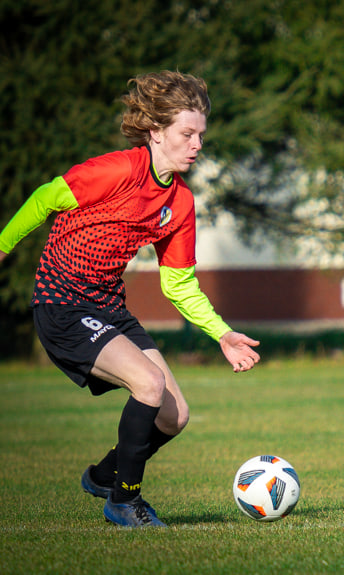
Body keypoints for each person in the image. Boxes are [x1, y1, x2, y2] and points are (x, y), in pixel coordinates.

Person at [0, 71, 261, 527]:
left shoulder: (180, 203)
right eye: (187, 133)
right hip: (61, 303)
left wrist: (222, 334)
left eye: (201, 134)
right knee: (148, 383)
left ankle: (104, 475)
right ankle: (124, 502)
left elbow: (179, 284)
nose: (197, 144)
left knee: (174, 416)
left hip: (109, 308)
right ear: (157, 132)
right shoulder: (118, 170)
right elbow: (45, 198)